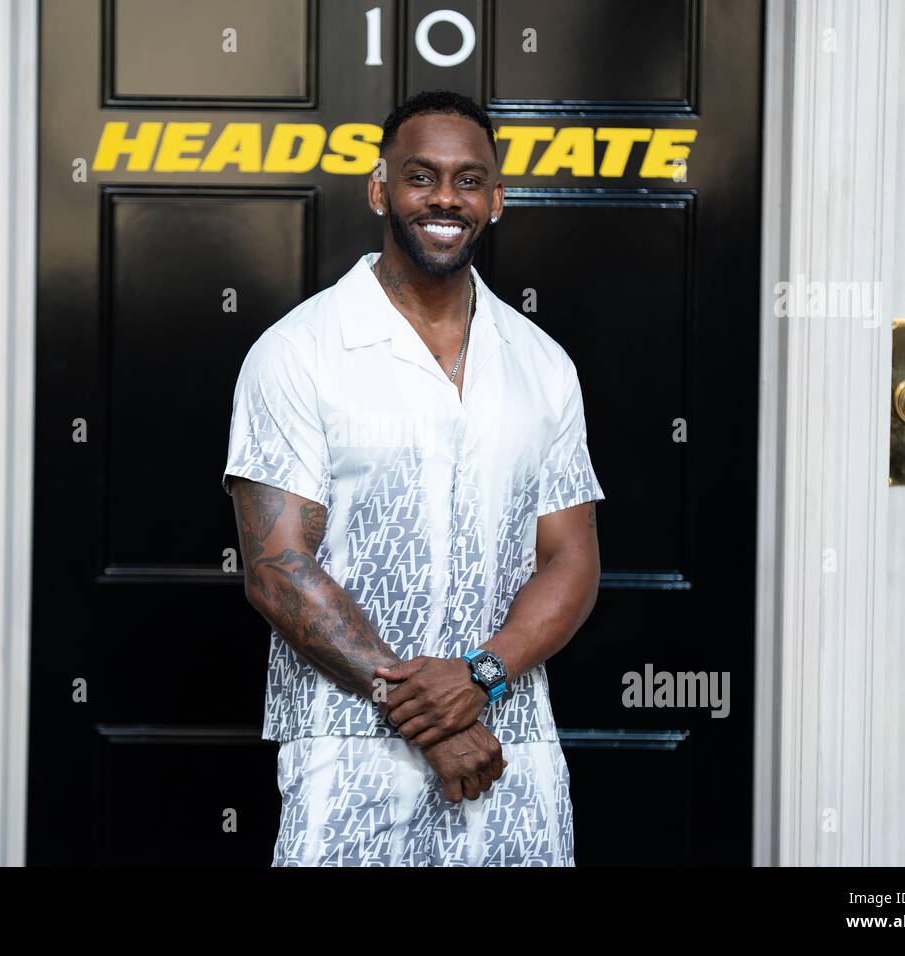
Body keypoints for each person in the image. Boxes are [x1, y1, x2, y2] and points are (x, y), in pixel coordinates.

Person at [222, 89, 604, 866]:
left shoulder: (542, 364)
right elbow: (275, 566)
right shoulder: (300, 351)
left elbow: (570, 558)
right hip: (348, 744)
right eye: (420, 176)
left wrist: (481, 678)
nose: (444, 198)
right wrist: (430, 711)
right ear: (379, 189)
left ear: (496, 201)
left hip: (510, 742)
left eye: (469, 180)